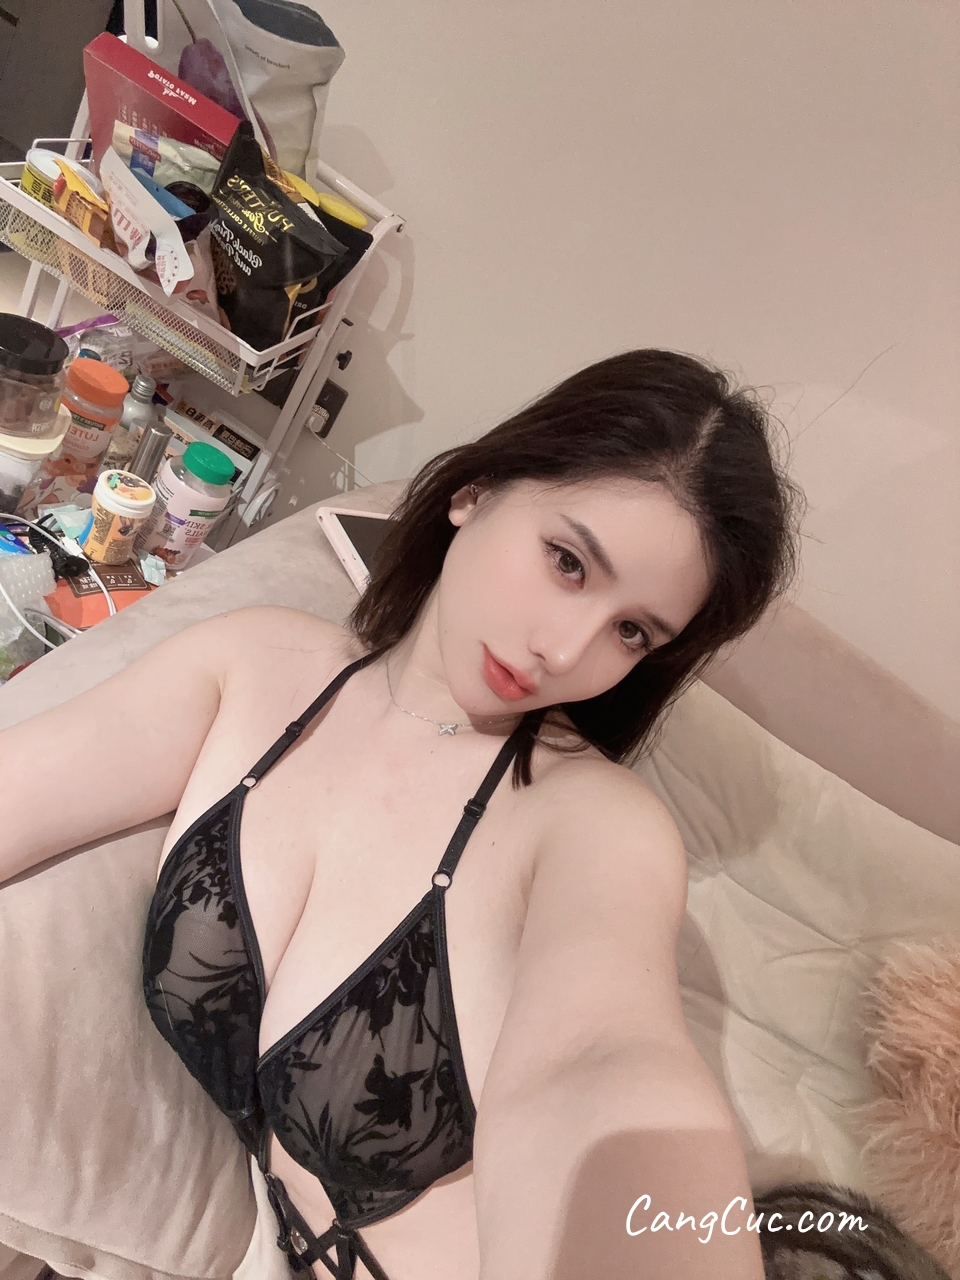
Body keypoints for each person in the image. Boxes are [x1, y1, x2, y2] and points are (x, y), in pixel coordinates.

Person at [0, 349, 799, 1280]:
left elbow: (606, 1064)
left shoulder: (595, 827)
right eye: (568, 562)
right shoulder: (253, 664)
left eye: (632, 631)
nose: (567, 649)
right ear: (476, 491)